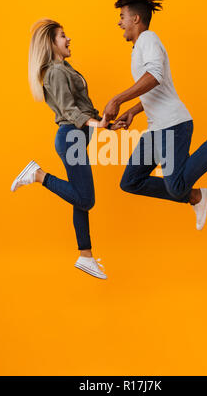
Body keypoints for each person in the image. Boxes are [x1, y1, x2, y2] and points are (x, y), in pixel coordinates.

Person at [104, 0, 207, 230]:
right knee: (131, 182)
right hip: (157, 128)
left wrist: (117, 99)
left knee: (175, 186)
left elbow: (154, 75)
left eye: (122, 16)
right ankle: (195, 197)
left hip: (172, 124)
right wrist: (133, 110)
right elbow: (156, 86)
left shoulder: (148, 39)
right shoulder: (140, 47)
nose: (119, 22)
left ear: (136, 19)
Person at [10, 19, 124, 279]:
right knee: (87, 199)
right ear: (51, 43)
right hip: (71, 136)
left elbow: (81, 107)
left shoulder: (64, 67)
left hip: (78, 136)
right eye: (62, 36)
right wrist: (97, 122)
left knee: (79, 199)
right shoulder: (56, 71)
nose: (68, 39)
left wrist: (105, 125)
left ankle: (85, 255)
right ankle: (38, 175)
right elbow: (69, 111)